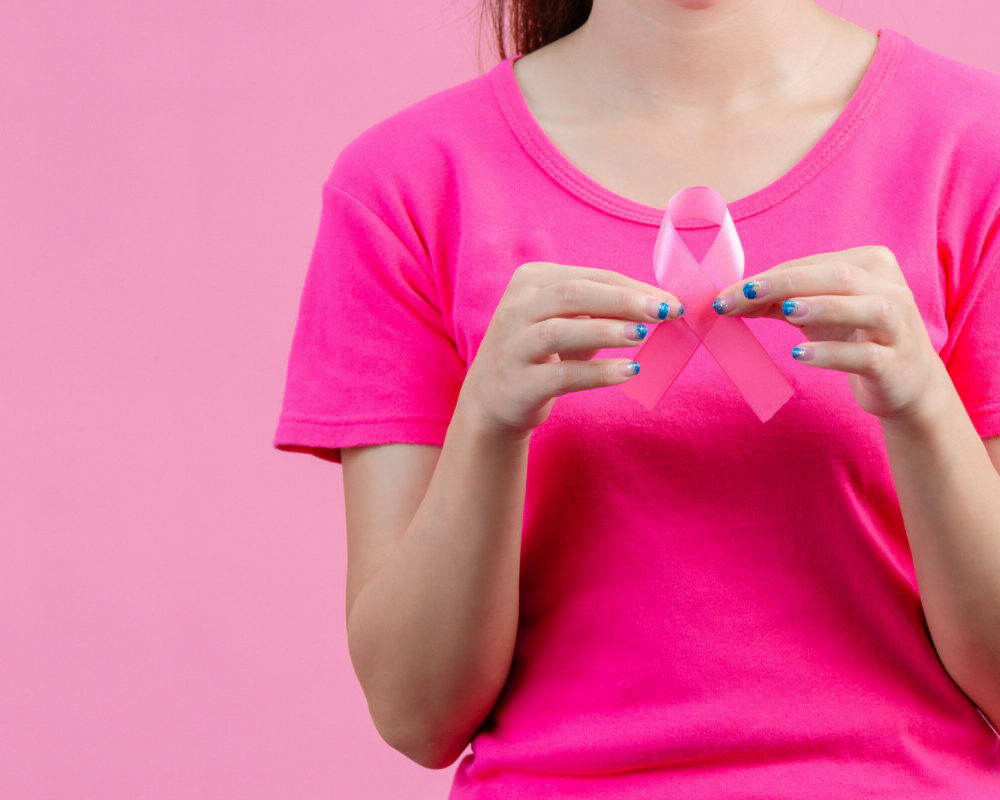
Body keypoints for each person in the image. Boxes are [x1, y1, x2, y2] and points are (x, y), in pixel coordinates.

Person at [273, 0, 1000, 795]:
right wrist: (489, 425)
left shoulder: (974, 147)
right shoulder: (405, 183)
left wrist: (926, 408)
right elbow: (416, 713)